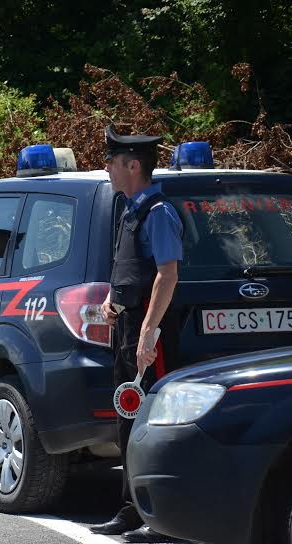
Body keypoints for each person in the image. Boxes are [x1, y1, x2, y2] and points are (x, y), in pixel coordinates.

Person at [89, 126, 183, 543]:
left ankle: (156, 514)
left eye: (112, 161)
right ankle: (131, 510)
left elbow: (168, 273)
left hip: (147, 332)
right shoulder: (130, 208)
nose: (107, 168)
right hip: (129, 327)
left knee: (149, 422)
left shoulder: (158, 210)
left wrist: (148, 332)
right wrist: (113, 301)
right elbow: (131, 272)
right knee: (129, 419)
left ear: (133, 165)